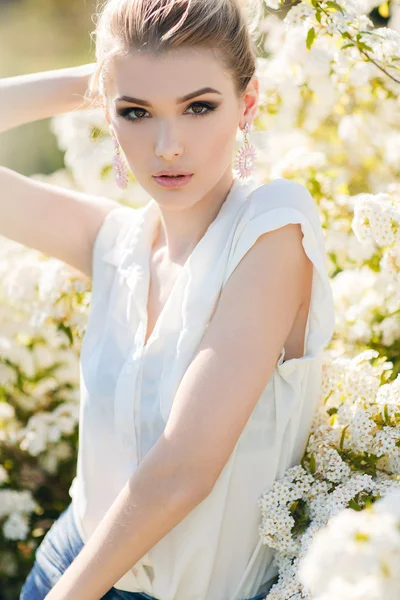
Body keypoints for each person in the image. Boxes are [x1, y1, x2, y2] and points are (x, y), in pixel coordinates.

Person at [0, 0, 336, 598]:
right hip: (68, 558)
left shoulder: (272, 225)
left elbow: (183, 468)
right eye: (137, 112)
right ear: (109, 115)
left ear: (247, 104)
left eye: (199, 106)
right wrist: (96, 79)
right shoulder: (112, 242)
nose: (168, 145)